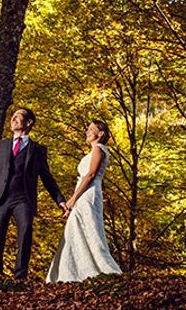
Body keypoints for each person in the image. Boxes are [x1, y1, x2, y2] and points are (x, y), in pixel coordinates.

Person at [0, 107, 67, 280]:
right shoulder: (0, 145)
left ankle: (20, 276)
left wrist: (60, 200)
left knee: (25, 232)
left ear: (29, 123)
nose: (13, 119)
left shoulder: (37, 150)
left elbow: (47, 178)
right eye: (12, 116)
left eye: (18, 116)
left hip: (23, 199)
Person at [46, 120, 122, 282]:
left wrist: (73, 199)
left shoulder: (99, 149)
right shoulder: (93, 151)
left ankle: (99, 267)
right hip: (83, 194)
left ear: (100, 134)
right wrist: (72, 204)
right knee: (76, 229)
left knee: (89, 228)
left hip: (89, 194)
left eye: (91, 129)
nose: (87, 132)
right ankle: (71, 271)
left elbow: (91, 175)